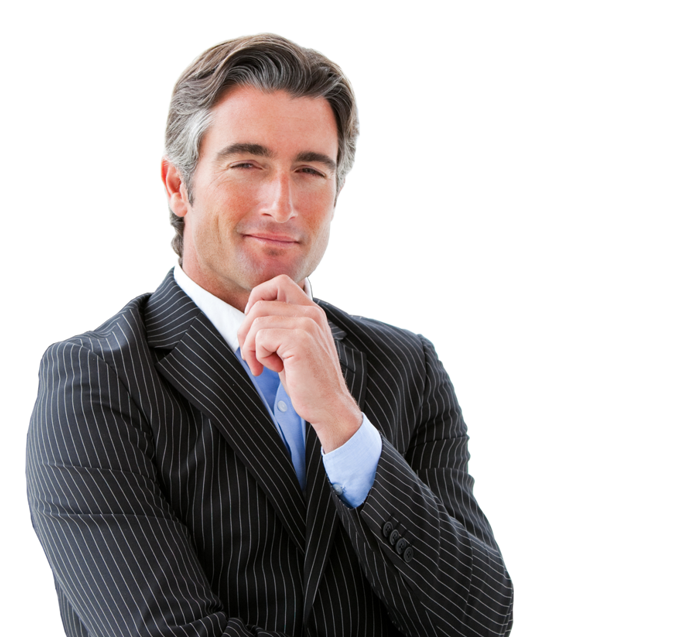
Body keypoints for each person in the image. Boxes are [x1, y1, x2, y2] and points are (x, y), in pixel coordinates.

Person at [26, 33, 513, 637]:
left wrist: (344, 426)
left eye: (310, 170)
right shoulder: (95, 381)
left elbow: (479, 621)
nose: (282, 205)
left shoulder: (406, 367)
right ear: (177, 185)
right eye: (247, 164)